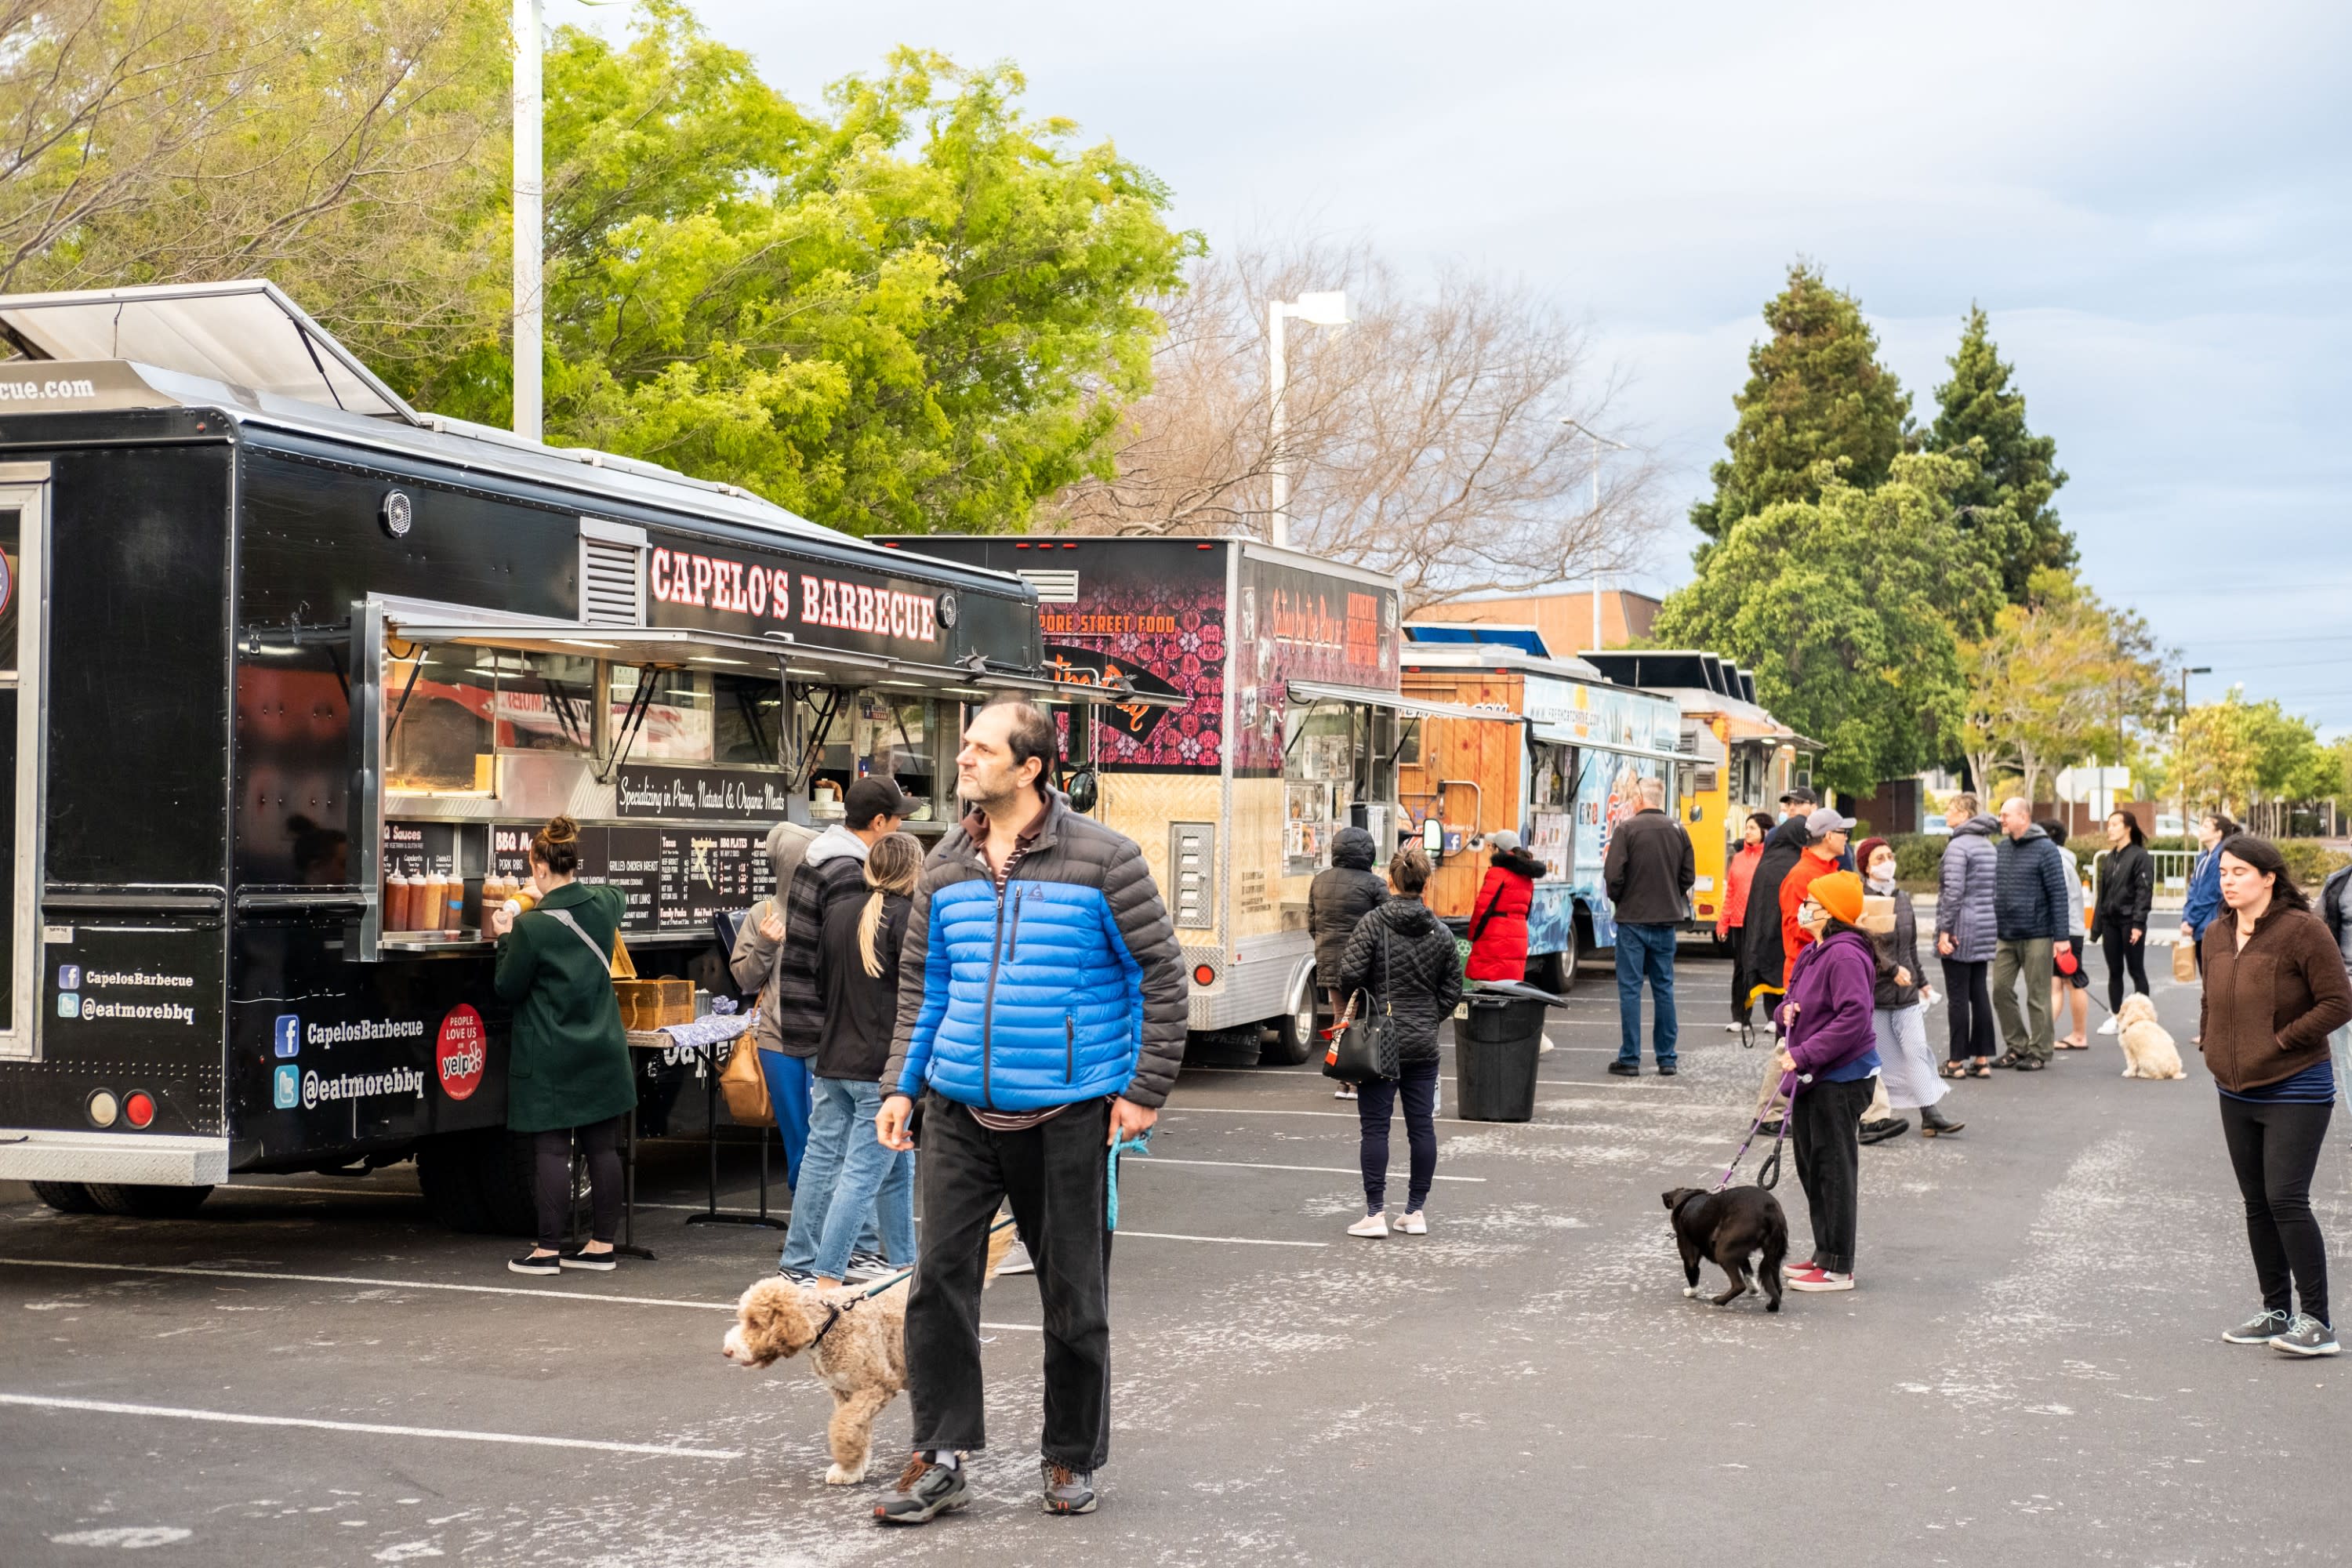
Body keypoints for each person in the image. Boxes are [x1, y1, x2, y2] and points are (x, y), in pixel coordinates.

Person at [873, 698, 1184, 1523]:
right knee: (937, 1286)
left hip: (1072, 1113)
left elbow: (1162, 976)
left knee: (1074, 1295)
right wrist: (902, 1085)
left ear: (1031, 765)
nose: (963, 758)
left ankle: (1070, 1456)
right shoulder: (945, 860)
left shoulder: (1106, 859)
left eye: (980, 747)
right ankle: (938, 1455)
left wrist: (1144, 1089)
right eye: (966, 746)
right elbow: (925, 986)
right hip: (959, 1109)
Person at [2200, 834, 2352, 1357]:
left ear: (2269, 877)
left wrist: (2281, 1040)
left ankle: (2318, 1322)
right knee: (2257, 1203)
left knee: (2286, 1198)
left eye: (2240, 871)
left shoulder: (2304, 931)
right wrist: (2210, 1042)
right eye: (2223, 872)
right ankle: (2275, 1311)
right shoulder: (2216, 933)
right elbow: (2210, 999)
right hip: (2234, 1087)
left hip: (2297, 1084)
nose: (2229, 880)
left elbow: (2338, 1002)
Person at [771, 777, 908, 1284]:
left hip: (812, 1020)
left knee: (832, 1150)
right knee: (847, 1156)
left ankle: (823, 1258)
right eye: (896, 820)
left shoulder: (817, 857)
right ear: (877, 823)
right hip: (839, 1029)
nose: (898, 829)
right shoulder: (851, 873)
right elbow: (858, 962)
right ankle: (832, 1259)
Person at [490, 816, 635, 1276]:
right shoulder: (605, 906)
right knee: (603, 1149)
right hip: (604, 1049)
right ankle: (601, 1246)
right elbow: (616, 895)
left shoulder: (533, 930)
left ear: (537, 866)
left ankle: (548, 1251)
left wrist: (504, 937)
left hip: (551, 1054)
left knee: (551, 1150)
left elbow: (507, 987)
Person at [1337, 844, 1463, 1239]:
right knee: (1421, 1127)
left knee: (1375, 1128)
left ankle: (1375, 1213)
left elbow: (1349, 975)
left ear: (1390, 880)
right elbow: (1453, 987)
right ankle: (1415, 1211)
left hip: (1381, 1038)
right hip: (1423, 1040)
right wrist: (1428, 1016)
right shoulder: (1441, 932)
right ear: (1427, 882)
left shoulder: (1374, 923)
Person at [1770, 870, 1882, 1293]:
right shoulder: (1813, 952)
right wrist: (1785, 1016)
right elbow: (1789, 1002)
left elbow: (1854, 1017)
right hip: (1813, 1075)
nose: (1802, 908)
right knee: (1811, 1165)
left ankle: (1838, 1266)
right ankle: (1823, 1254)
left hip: (1841, 1075)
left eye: (1810, 903)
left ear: (1829, 912)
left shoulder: (1846, 955)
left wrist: (1803, 1052)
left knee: (1833, 1170)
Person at [729, 818, 820, 1181]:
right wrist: (766, 944)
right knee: (798, 1143)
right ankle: (805, 1230)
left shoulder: (830, 908)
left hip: (822, 1041)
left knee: (825, 1143)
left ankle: (828, 1231)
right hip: (777, 1043)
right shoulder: (761, 914)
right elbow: (745, 980)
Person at [1857, 837, 1962, 1138]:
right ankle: (1871, 1118)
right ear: (1865, 867)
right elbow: (1864, 948)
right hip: (1875, 995)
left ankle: (1930, 1114)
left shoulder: (1902, 899)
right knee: (1879, 1060)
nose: (1888, 862)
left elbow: (1910, 947)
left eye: (1890, 856)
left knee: (1917, 1051)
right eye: (1879, 858)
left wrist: (1923, 982)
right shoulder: (1861, 900)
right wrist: (1892, 972)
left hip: (1907, 995)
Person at [1603, 777, 1694, 1076]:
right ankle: (1667, 1058)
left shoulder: (1627, 829)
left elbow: (1613, 876)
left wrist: (1622, 898)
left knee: (1630, 991)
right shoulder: (1678, 830)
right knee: (1663, 989)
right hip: (1666, 920)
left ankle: (1630, 1058)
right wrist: (1671, 894)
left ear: (1641, 797)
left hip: (1632, 920)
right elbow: (1688, 876)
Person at [1989, 797, 2068, 1071]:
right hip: (2006, 933)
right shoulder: (2001, 848)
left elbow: (2058, 894)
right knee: (2000, 989)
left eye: (2005, 815)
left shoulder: (2046, 849)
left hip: (2038, 933)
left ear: (2024, 817)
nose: (2001, 819)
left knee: (2038, 995)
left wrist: (2062, 938)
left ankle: (2040, 1050)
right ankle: (2017, 1045)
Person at [1310, 825, 1388, 1101]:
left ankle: (1342, 1079)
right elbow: (1386, 925)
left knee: (1341, 1017)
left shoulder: (1320, 881)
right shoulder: (1375, 884)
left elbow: (1312, 923)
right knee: (1363, 1020)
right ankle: (1356, 1080)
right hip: (1364, 963)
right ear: (1368, 852)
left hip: (1329, 961)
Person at [1935, 794, 2001, 1078]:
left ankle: (1956, 1061)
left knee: (1958, 997)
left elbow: (1953, 892)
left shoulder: (1957, 847)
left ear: (1963, 814)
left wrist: (1944, 930)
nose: (1947, 813)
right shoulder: (1988, 846)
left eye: (1950, 809)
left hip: (1960, 928)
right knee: (1979, 993)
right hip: (1985, 926)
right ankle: (1982, 1058)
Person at [2091, 809, 2154, 1032]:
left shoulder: (2140, 856)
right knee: (2114, 971)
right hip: (2111, 922)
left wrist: (2138, 923)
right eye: (2109, 824)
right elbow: (2103, 893)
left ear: (2128, 827)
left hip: (2130, 921)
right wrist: (2096, 927)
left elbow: (2143, 891)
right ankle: (2117, 1017)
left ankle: (2144, 1019)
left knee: (2136, 970)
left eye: (2115, 824)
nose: (2110, 828)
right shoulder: (2110, 857)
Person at [1778, 808, 1853, 985]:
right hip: (1807, 973)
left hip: (1825, 969)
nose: (1846, 838)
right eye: (1844, 832)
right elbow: (1796, 928)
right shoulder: (1800, 877)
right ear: (1829, 836)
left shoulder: (1829, 870)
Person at [1465, 828, 1545, 983]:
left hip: (1495, 937)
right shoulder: (1527, 876)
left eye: (1492, 846)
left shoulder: (1497, 873)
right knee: (1509, 986)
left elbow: (1482, 909)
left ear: (1499, 849)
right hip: (1518, 935)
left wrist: (1473, 935)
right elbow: (1527, 911)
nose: (1490, 850)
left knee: (1487, 986)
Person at [1719, 812, 1774, 1033]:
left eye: (1752, 828)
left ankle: (1773, 1016)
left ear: (1765, 832)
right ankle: (1740, 1017)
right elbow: (1730, 892)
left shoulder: (1770, 857)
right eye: (1747, 827)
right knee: (1741, 970)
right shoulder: (1738, 858)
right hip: (1740, 922)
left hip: (1763, 922)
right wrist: (1723, 922)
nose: (1747, 831)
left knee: (1768, 967)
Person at [2042, 820, 2091, 1050]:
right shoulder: (2064, 860)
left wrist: (2055, 934)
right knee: (2058, 984)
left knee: (2073, 982)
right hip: (2068, 929)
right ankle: (2045, 1036)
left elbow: (2056, 899)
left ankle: (2079, 1035)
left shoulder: (2057, 861)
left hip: (2065, 931)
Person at [2180, 811, 2239, 983]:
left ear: (2218, 832)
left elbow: (2210, 895)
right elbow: (2193, 890)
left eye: (2206, 826)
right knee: (2205, 976)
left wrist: (2190, 920)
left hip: (2212, 922)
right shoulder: (2203, 857)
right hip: (2199, 925)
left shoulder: (2221, 857)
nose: (2201, 830)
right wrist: (2187, 918)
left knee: (2214, 978)